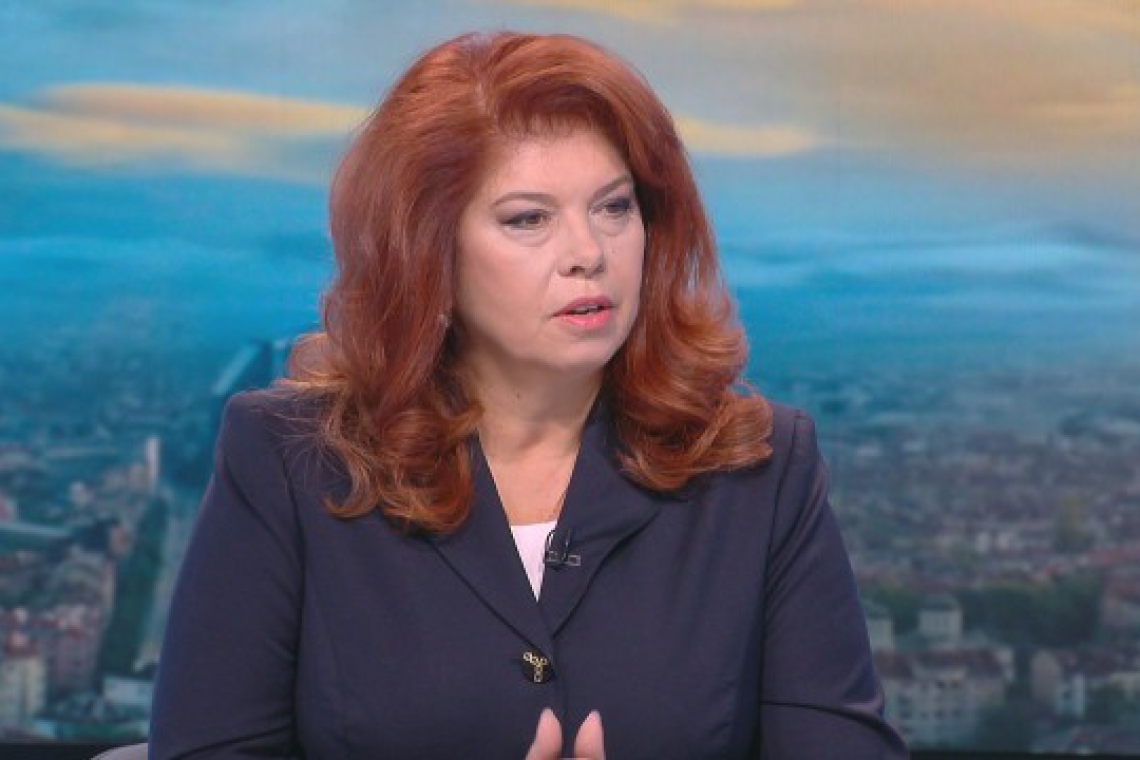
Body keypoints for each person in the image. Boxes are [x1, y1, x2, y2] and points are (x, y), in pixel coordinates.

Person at [149, 30, 908, 759]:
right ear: (429, 250)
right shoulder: (288, 461)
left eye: (614, 207)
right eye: (529, 219)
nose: (589, 253)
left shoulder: (762, 471)